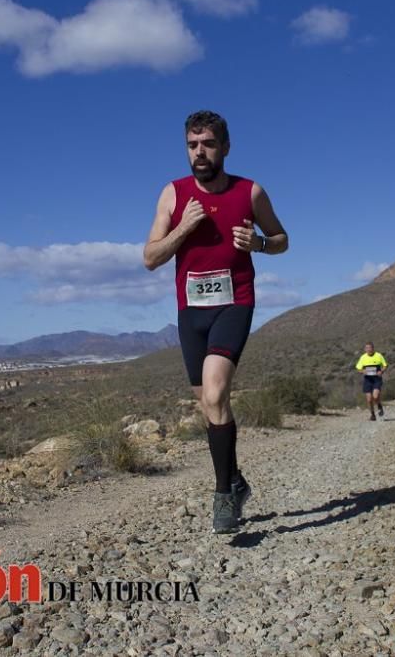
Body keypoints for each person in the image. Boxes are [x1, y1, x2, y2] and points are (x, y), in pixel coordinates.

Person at [143, 110, 289, 534]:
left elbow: (282, 239)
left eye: (207, 143)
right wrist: (183, 228)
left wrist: (259, 243)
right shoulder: (173, 194)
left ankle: (223, 494)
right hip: (191, 313)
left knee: (216, 392)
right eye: (192, 145)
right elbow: (151, 258)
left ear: (225, 147)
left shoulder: (250, 192)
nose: (200, 152)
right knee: (208, 403)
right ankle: (237, 480)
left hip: (234, 303)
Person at [355, 343, 388, 420]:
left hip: (377, 379)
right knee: (369, 399)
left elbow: (385, 365)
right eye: (367, 348)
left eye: (370, 348)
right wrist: (362, 371)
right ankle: (372, 415)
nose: (369, 349)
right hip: (368, 380)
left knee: (375, 396)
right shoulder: (363, 357)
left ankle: (379, 405)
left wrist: (381, 371)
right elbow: (358, 368)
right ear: (365, 349)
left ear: (373, 348)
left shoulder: (378, 355)